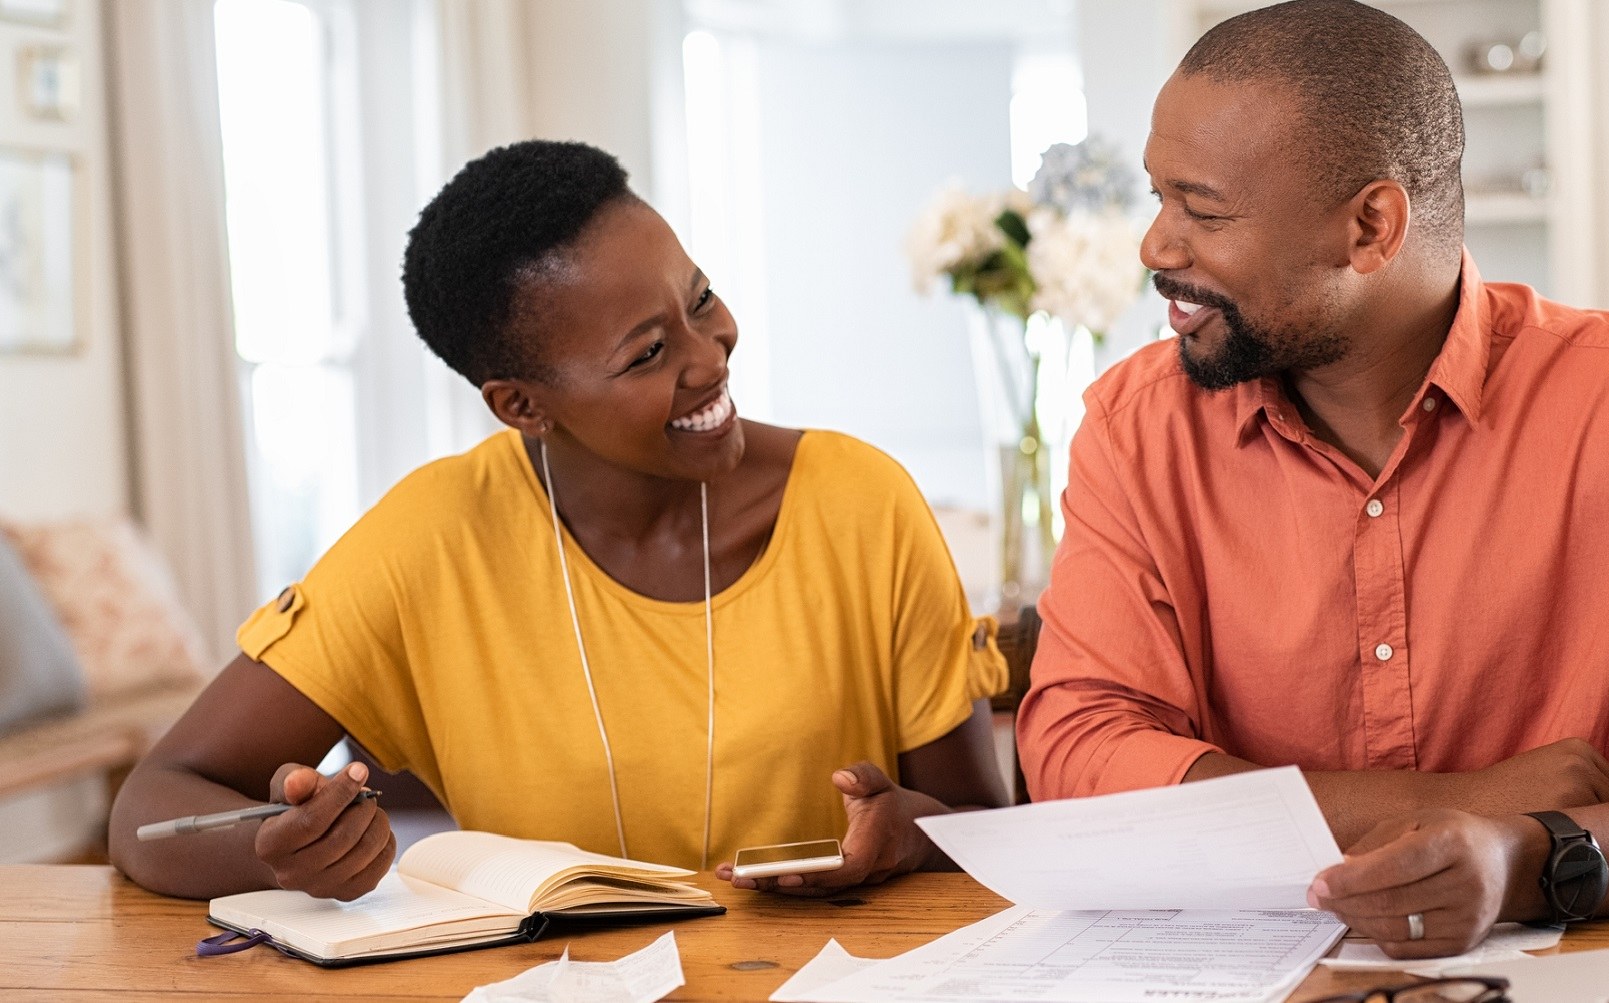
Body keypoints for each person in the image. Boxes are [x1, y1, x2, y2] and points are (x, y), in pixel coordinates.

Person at [1016, 0, 1609, 959]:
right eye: (1158, 197)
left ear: (1372, 226)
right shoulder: (1136, 429)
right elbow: (1077, 752)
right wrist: (1450, 803)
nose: (1156, 247)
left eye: (1203, 210)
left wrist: (1524, 853)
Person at [110, 140, 1008, 902]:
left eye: (699, 299)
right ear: (522, 405)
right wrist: (284, 853)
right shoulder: (431, 539)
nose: (712, 353)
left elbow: (981, 829)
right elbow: (150, 806)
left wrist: (906, 834)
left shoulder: (861, 501)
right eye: (649, 352)